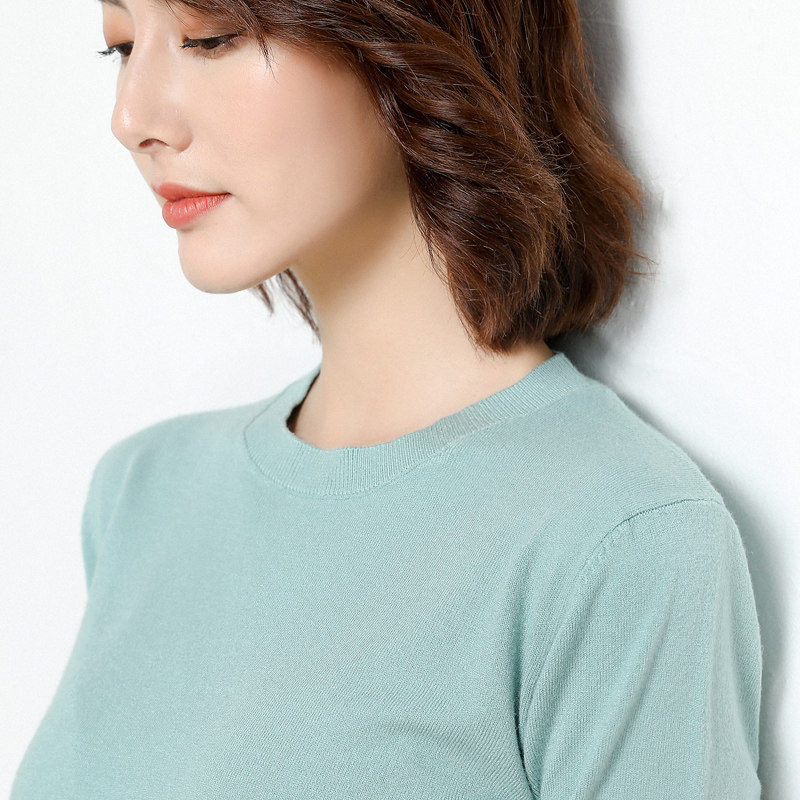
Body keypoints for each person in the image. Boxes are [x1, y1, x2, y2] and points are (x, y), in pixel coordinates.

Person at [11, 0, 762, 797]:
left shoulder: (617, 539)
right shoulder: (140, 494)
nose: (131, 119)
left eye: (211, 37)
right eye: (122, 46)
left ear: (415, 31)